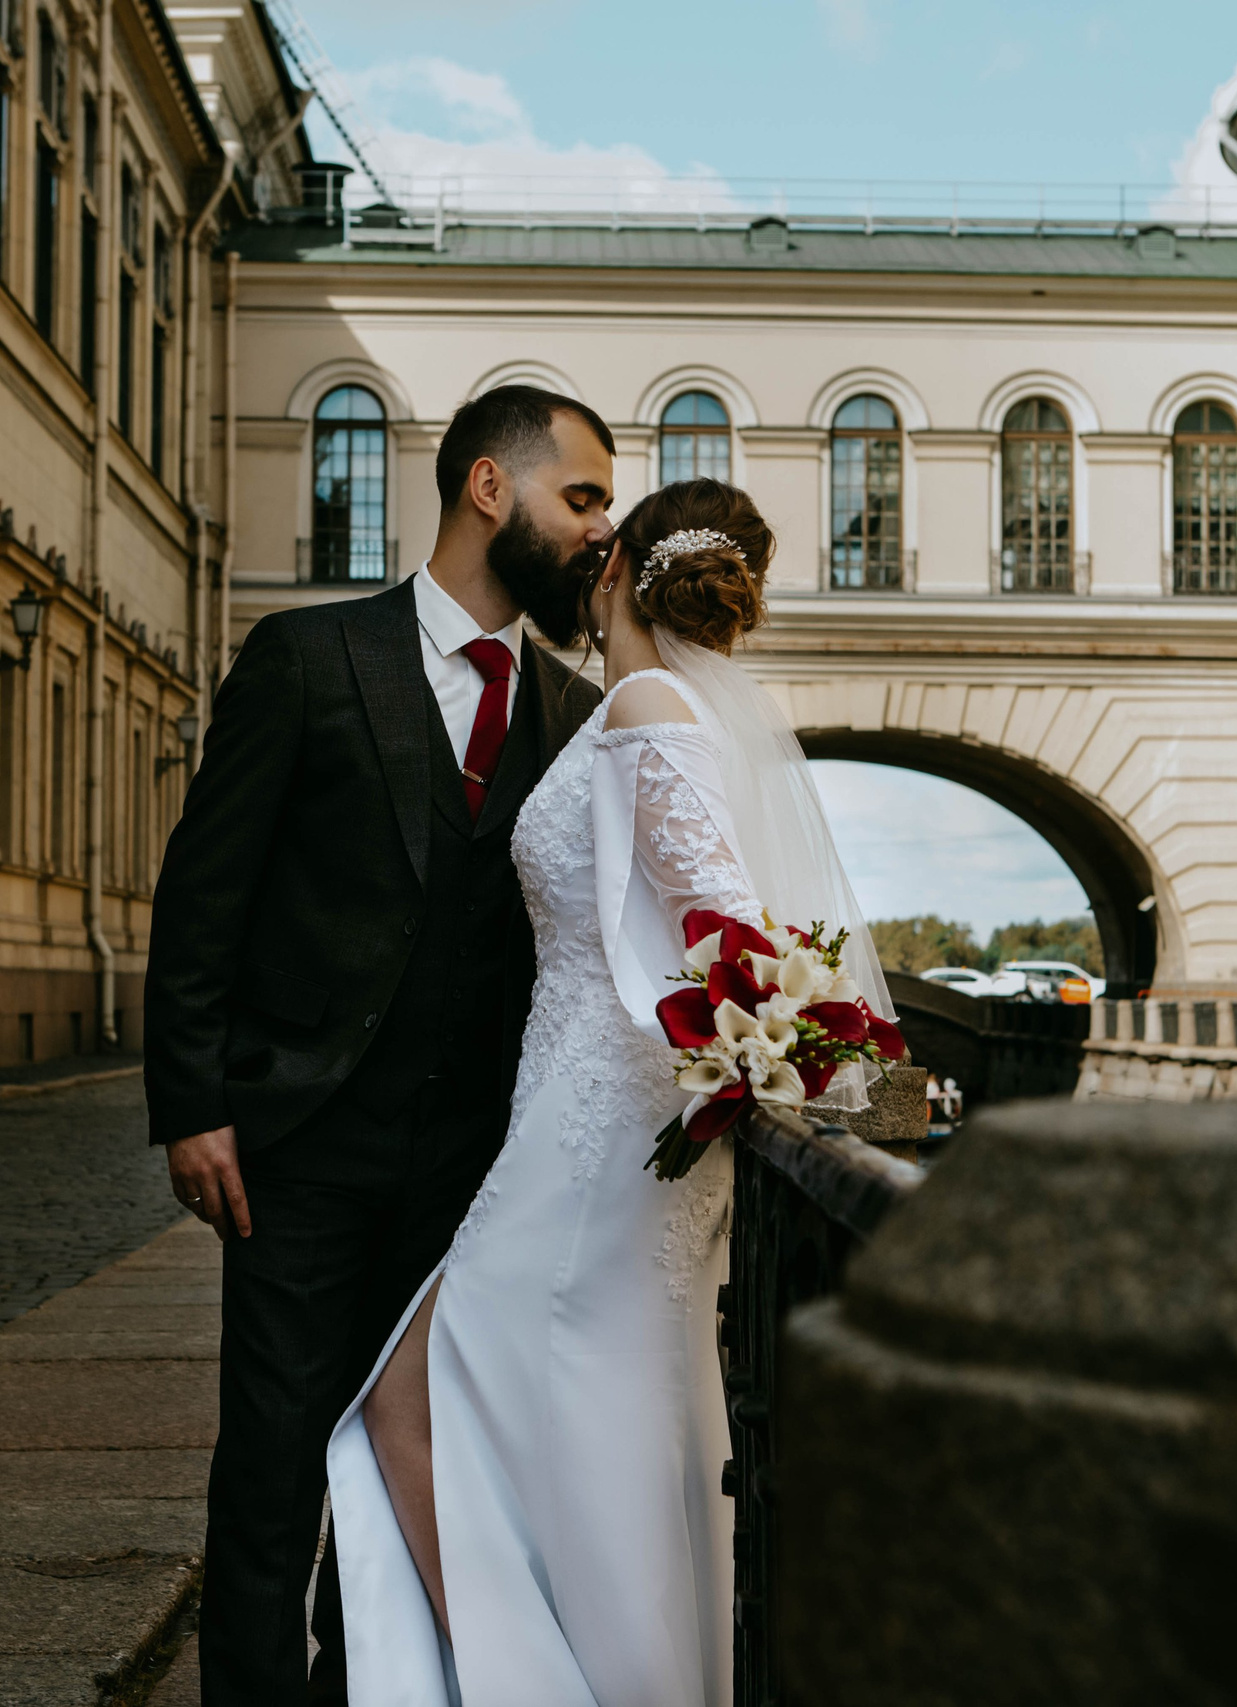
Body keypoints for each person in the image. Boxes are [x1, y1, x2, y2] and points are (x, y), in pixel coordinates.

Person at [325, 478, 895, 1706]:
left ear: (621, 565)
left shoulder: (643, 701)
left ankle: (535, 1684)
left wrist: (748, 1045)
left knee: (439, 1412)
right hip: (588, 1113)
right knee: (571, 1432)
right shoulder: (644, 707)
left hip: (601, 1136)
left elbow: (729, 926)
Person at [144, 385, 611, 1704]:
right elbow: (205, 898)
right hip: (298, 1147)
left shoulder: (574, 716)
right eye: (579, 494)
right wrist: (195, 1103)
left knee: (415, 1473)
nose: (599, 526)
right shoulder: (307, 657)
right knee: (276, 1466)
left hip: (472, 1175)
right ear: (487, 488)